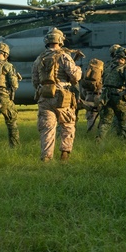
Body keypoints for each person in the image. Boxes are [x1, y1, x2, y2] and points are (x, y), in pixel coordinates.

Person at [31, 28, 82, 161]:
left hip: (44, 96)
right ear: (60, 41)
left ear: (47, 41)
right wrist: (79, 69)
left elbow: (35, 81)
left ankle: (46, 157)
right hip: (62, 97)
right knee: (67, 125)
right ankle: (65, 153)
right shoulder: (64, 56)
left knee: (47, 128)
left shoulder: (39, 59)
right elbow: (75, 76)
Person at [94, 46, 126, 142]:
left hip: (106, 97)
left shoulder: (109, 67)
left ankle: (99, 138)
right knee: (122, 120)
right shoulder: (125, 68)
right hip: (118, 98)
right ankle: (122, 140)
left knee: (106, 121)